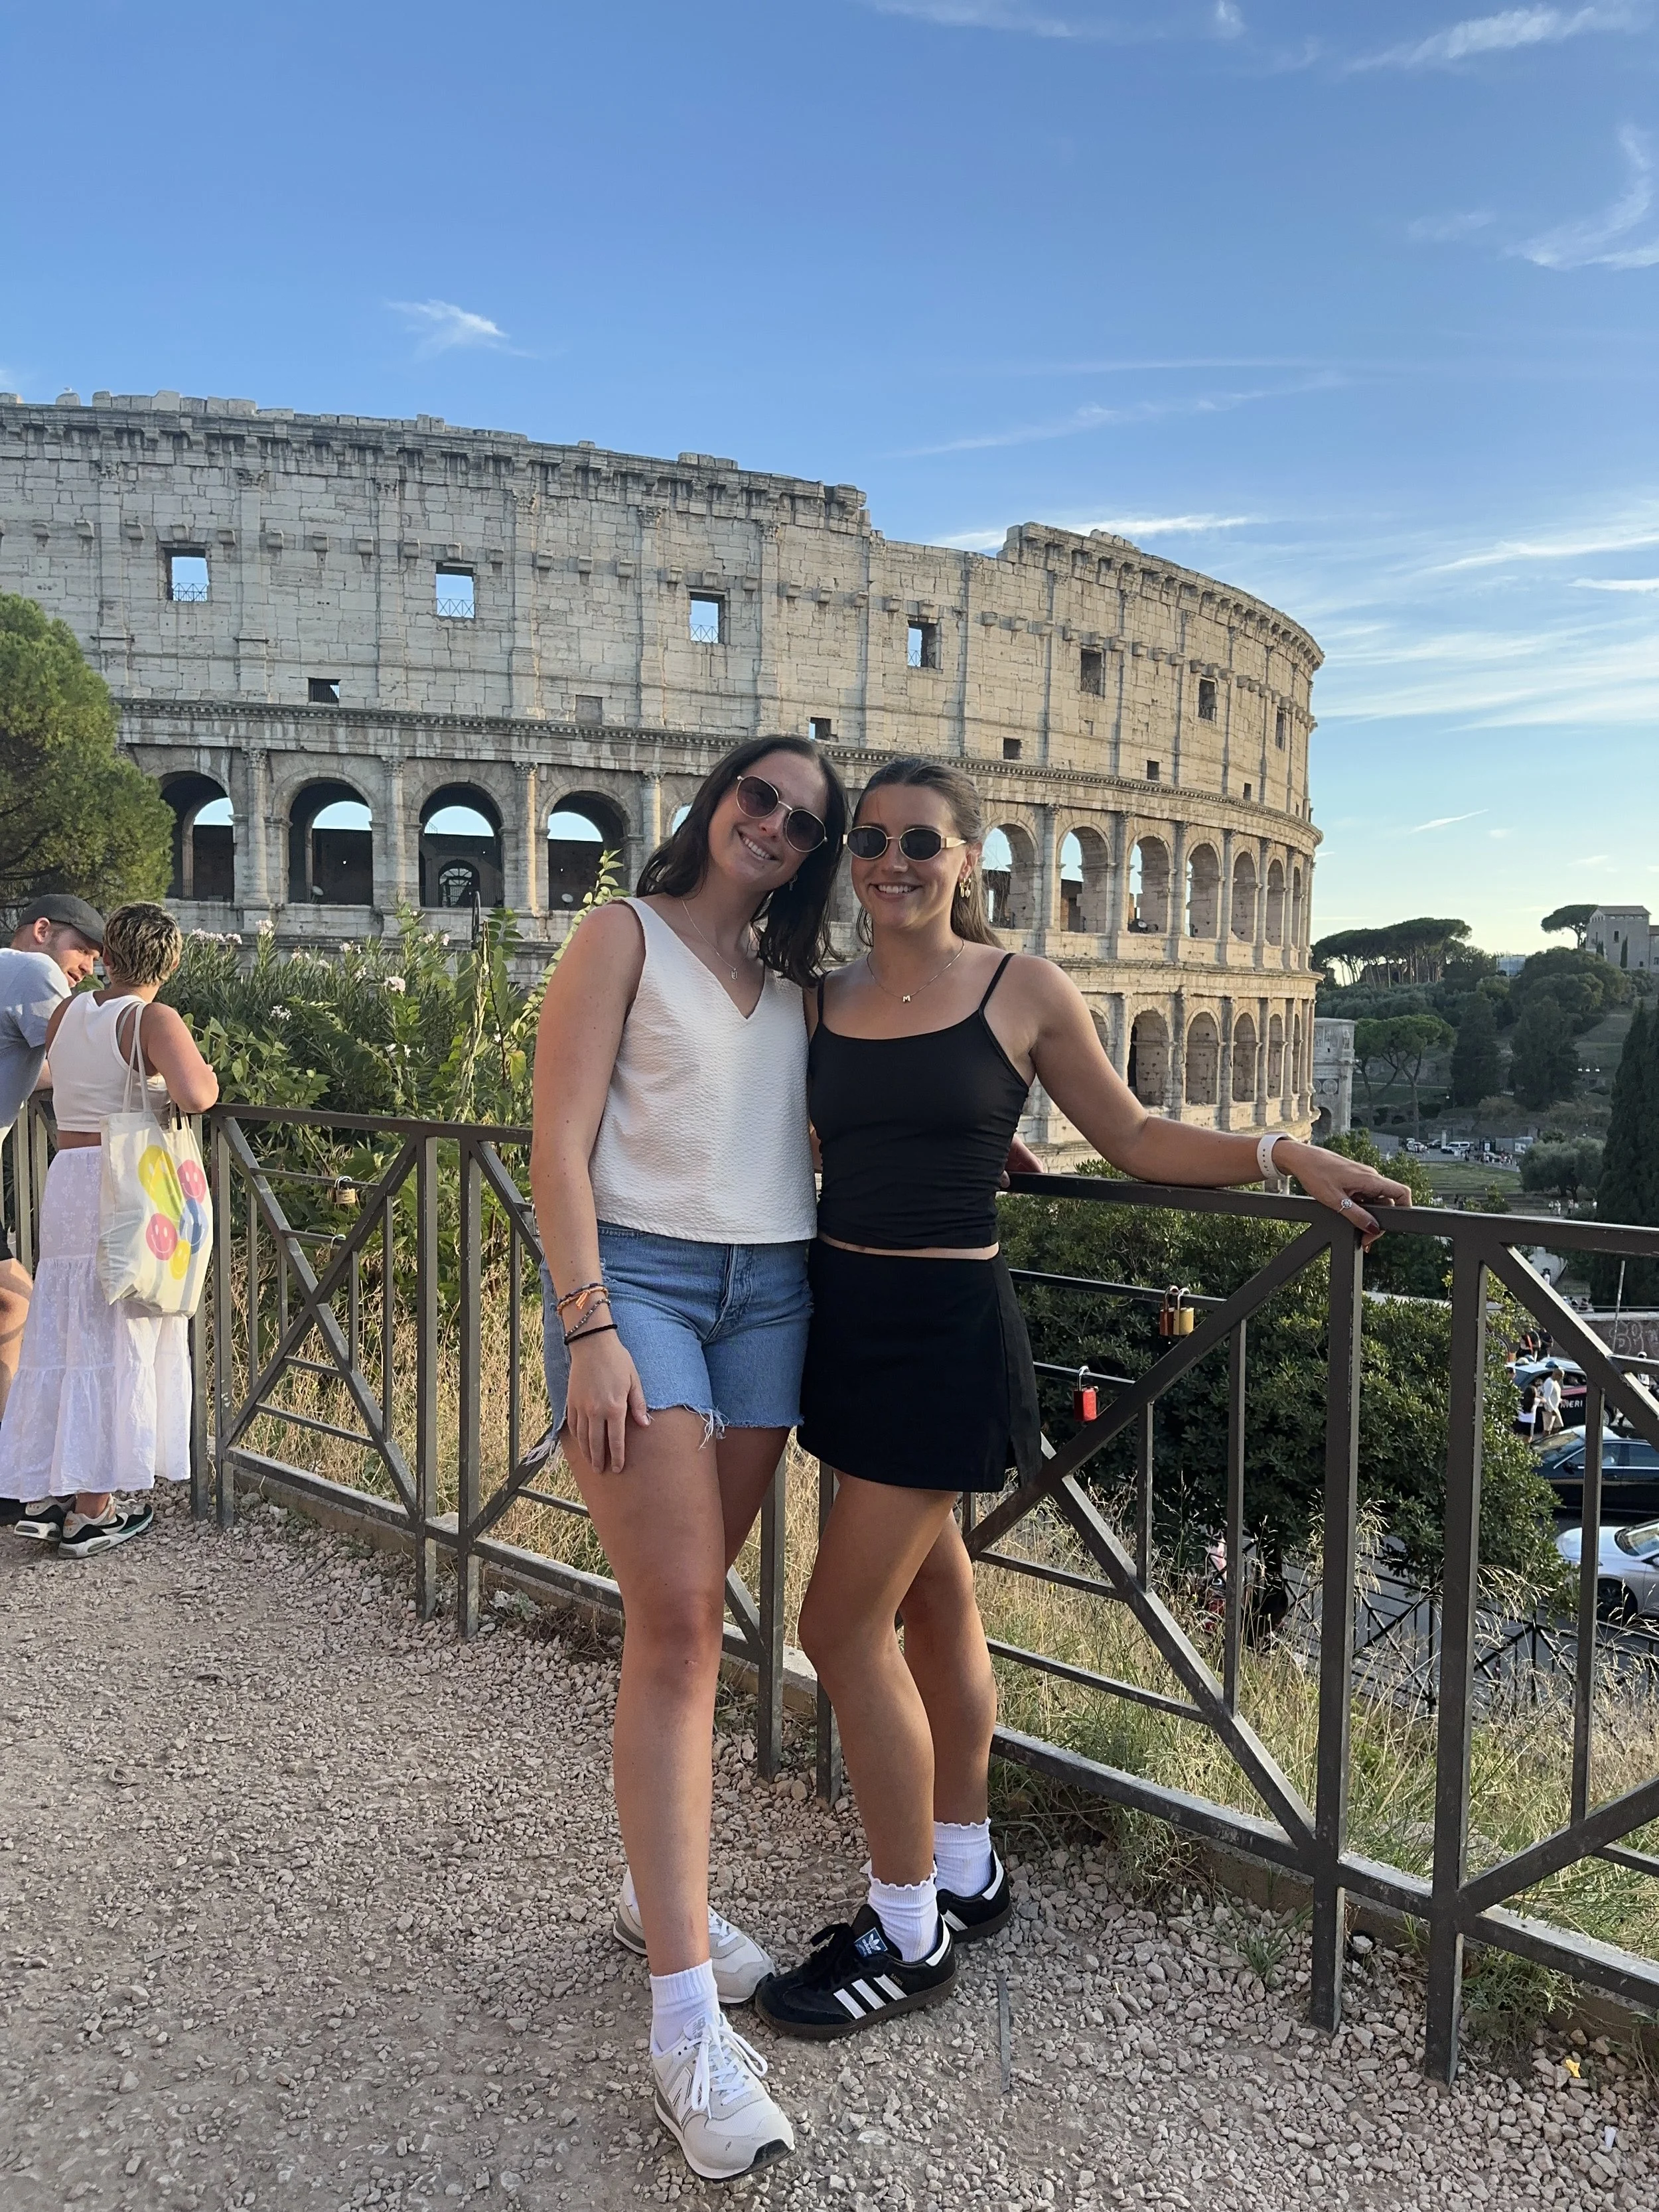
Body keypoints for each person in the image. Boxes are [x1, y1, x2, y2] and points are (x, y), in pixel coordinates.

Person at [752, 757, 1410, 2040]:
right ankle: (966, 1866)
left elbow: (1138, 1137)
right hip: (844, 1319)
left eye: (923, 841)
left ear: (969, 863)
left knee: (838, 1630)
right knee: (934, 1605)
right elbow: (818, 1142)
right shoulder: (818, 1003)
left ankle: (905, 1932)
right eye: (872, 837)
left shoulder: (1022, 988)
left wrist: (1285, 1153)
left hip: (944, 1329)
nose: (893, 858)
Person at [528, 736, 847, 2183]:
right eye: (756, 796)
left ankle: (651, 1894)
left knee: (689, 1625)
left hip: (772, 1293)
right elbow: (558, 1133)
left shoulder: (798, 987)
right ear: (716, 797)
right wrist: (591, 1324)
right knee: (673, 1629)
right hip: (643, 1290)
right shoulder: (620, 932)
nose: (770, 823)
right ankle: (681, 2029)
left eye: (799, 820)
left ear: (814, 850)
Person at [1, 905, 218, 1557]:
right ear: (170, 962)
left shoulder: (70, 1012)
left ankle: (50, 1493)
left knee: (63, 1327)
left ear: (113, 955)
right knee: (114, 1329)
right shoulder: (153, 1018)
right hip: (122, 1180)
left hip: (68, 1174)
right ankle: (92, 1511)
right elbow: (197, 1094)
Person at [0, 895, 105, 1442]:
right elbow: (78, 1063)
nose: (88, 968)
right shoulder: (36, 972)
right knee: (19, 1299)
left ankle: (8, 1455)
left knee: (11, 1299)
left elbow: (40, 1070)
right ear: (42, 930)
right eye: (83, 950)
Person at [1536, 1364, 1564, 1438]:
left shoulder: (1555, 1382)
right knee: (1547, 1429)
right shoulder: (1550, 1383)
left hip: (1555, 1407)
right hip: (1549, 1409)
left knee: (1558, 1425)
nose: (1561, 1378)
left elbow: (1554, 1395)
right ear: (1555, 1374)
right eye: (1560, 1376)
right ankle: (1544, 1443)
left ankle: (1551, 1439)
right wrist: (1552, 1410)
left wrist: (1561, 1400)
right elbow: (1547, 1397)